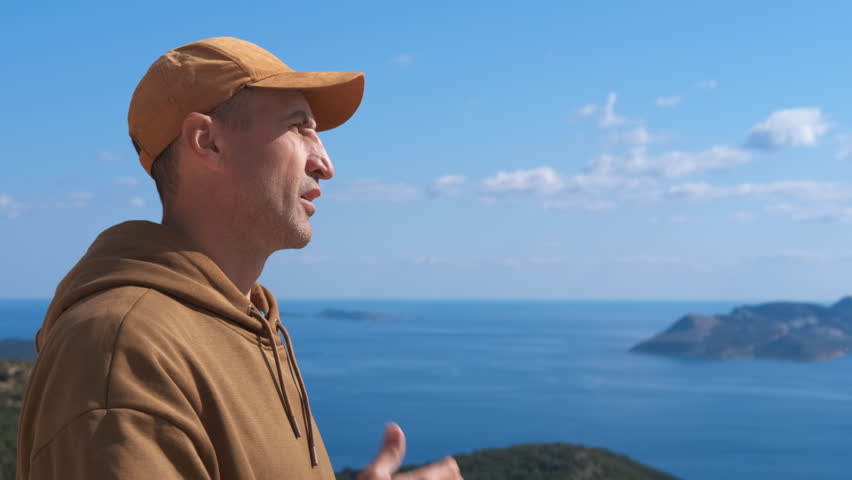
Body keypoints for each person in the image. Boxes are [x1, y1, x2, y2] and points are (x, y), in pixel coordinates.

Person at [16, 37, 462, 480]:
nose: (325, 163)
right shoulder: (124, 349)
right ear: (207, 141)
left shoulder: (247, 325)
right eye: (299, 127)